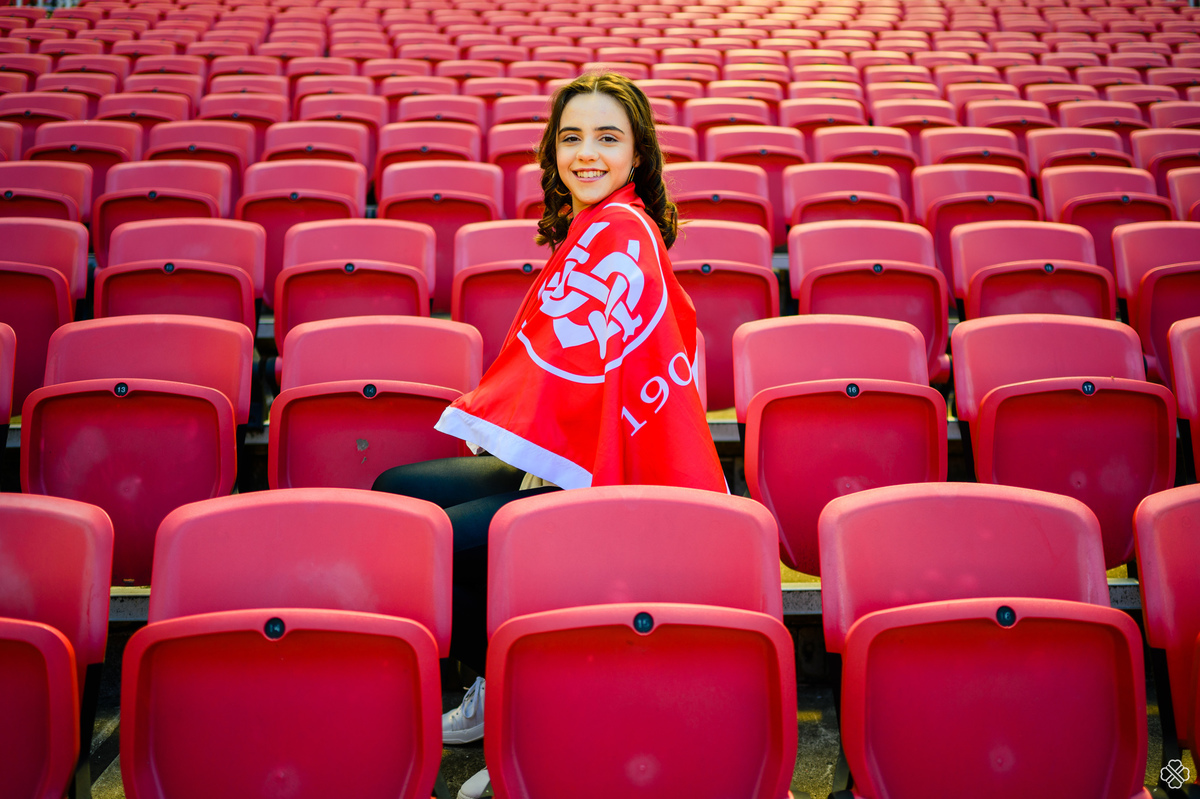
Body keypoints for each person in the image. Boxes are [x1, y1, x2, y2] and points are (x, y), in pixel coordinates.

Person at [372, 71, 726, 799]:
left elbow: (606, 370)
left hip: (618, 477)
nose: (586, 153)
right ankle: (485, 679)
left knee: (430, 546)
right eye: (572, 137)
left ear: (638, 155)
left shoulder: (623, 232)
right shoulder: (591, 227)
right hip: (572, 464)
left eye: (607, 137)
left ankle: (520, 712)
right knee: (398, 496)